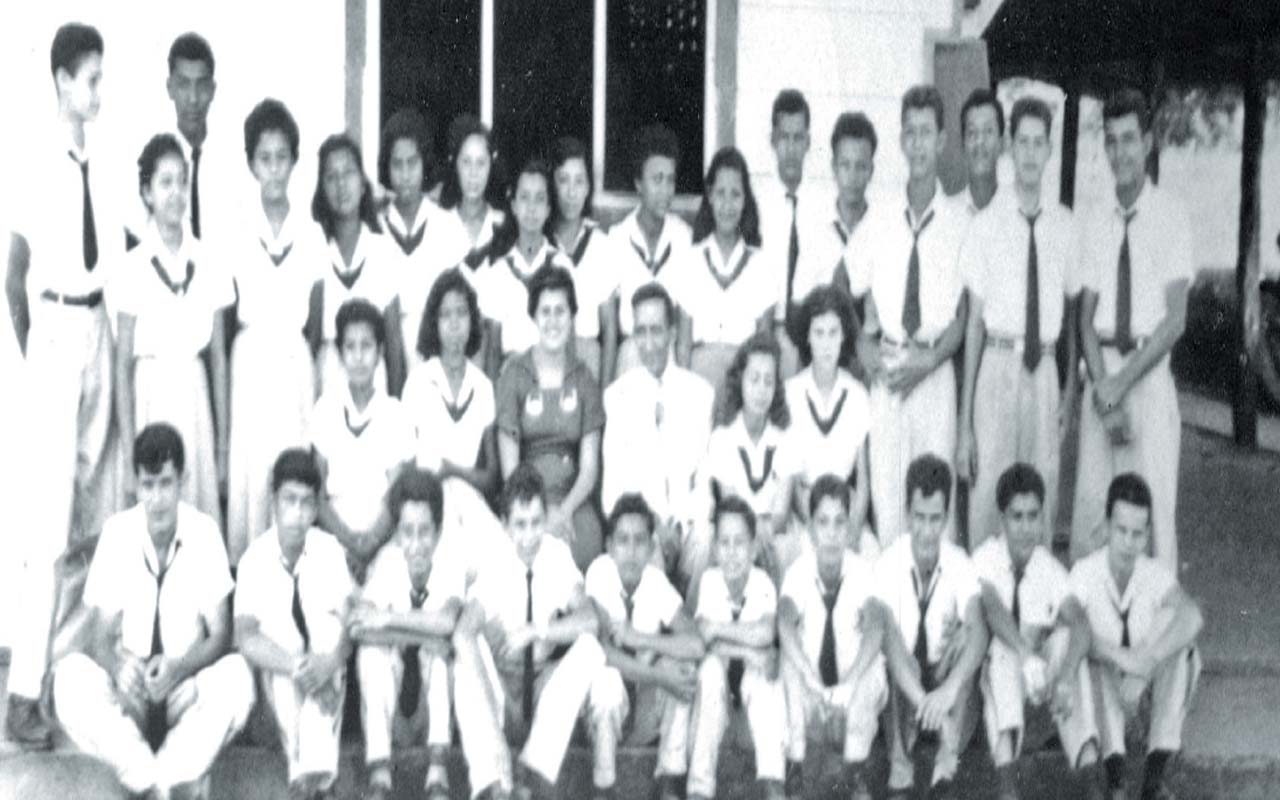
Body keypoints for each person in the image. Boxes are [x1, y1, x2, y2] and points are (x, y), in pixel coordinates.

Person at [5, 22, 124, 747]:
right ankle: (21, 694)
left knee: (89, 514)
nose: (98, 91)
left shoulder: (101, 161)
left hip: (97, 333)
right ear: (60, 81)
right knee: (46, 530)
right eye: (90, 78)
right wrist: (39, 360)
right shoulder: (33, 158)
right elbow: (10, 274)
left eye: (101, 78)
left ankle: (59, 677)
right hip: (51, 333)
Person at [50, 424, 253, 799]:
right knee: (69, 678)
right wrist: (119, 667)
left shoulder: (204, 532)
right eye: (148, 485)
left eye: (165, 484)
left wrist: (180, 668)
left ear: (182, 481)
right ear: (136, 484)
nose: (157, 499)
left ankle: (167, 776)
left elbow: (221, 635)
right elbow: (98, 636)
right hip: (132, 697)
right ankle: (151, 780)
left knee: (238, 678)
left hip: (184, 691)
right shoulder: (117, 533)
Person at [1071, 89, 1192, 570]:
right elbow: (1084, 317)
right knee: (1091, 515)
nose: (1120, 153)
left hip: (1146, 378)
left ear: (1147, 142)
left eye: (1129, 140)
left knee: (1152, 516)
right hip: (1102, 380)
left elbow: (1175, 319)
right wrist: (1104, 388)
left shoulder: (1170, 217)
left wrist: (1122, 384)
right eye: (1111, 141)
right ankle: (1094, 635)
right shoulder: (1095, 219)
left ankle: (1158, 639)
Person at [846, 85, 970, 549]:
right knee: (890, 497)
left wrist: (932, 360)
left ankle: (938, 615)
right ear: (901, 141)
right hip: (891, 370)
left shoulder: (961, 221)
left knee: (936, 501)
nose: (918, 144)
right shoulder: (878, 220)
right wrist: (867, 350)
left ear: (941, 141)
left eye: (927, 133)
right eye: (910, 133)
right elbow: (851, 298)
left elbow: (963, 317)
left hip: (934, 372)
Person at [957, 96, 1079, 552]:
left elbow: (1070, 324)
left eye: (1039, 143)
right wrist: (965, 420)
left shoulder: (1065, 227)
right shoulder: (985, 226)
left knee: (1040, 488)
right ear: (1010, 147)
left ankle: (1036, 609)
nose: (1030, 153)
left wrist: (1068, 392)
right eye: (1022, 142)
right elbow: (973, 326)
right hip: (997, 364)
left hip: (1044, 369)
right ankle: (983, 610)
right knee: (990, 489)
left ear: (1050, 150)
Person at [451, 464, 608, 800]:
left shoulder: (556, 554)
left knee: (590, 650)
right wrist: (493, 733)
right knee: (466, 658)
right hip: (502, 694)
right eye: (520, 525)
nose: (529, 535)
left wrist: (538, 631)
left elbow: (590, 620)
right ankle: (497, 782)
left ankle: (533, 768)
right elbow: (463, 633)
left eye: (536, 522)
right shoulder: (494, 561)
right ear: (505, 524)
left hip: (541, 691)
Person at [111, 133, 232, 527]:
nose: (176, 193)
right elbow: (121, 364)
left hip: (194, 399)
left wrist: (223, 447)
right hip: (150, 396)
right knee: (153, 514)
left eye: (182, 181)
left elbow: (218, 359)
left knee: (195, 513)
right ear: (146, 192)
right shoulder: (131, 267)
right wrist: (130, 451)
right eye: (165, 183)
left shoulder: (209, 260)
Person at [224, 98, 322, 565]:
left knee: (291, 468)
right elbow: (224, 316)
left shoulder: (311, 231)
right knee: (253, 476)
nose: (274, 169)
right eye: (265, 159)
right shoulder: (237, 230)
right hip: (251, 360)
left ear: (294, 161)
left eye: (282, 158)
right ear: (251, 164)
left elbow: (317, 317)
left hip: (293, 362)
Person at [971, 464, 1103, 800]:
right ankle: (1008, 790)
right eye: (1017, 517)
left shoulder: (1049, 567)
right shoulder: (984, 558)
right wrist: (1024, 652)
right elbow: (991, 606)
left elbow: (1082, 625)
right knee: (1002, 650)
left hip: (1044, 701)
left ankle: (1089, 774)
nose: (1026, 528)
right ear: (1002, 519)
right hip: (997, 702)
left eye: (1033, 516)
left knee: (1064, 642)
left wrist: (1066, 674)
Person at [1067, 473, 1202, 800]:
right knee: (1086, 654)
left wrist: (1147, 663)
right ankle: (1115, 780)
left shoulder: (1154, 573)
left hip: (1143, 694)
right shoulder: (1084, 572)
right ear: (1107, 525)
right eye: (1121, 531)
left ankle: (1153, 778)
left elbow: (1192, 616)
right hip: (1105, 693)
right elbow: (1075, 630)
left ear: (1148, 534)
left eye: (1137, 534)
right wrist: (1124, 658)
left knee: (1183, 643)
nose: (1129, 543)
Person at [234, 448, 353, 799]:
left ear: (316, 509)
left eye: (306, 503)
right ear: (273, 502)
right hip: (281, 679)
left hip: (326, 670)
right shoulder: (254, 559)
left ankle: (303, 781)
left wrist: (329, 661)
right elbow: (246, 637)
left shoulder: (329, 550)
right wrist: (300, 668)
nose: (297, 514)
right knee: (282, 651)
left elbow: (349, 627)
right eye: (289, 501)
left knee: (329, 633)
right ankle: (321, 783)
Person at [348, 468, 468, 800]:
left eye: (425, 532)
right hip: (393, 713)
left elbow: (446, 623)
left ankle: (438, 773)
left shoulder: (450, 562)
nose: (415, 544)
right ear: (396, 533)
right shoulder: (387, 562)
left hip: (433, 719)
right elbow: (358, 627)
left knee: (440, 658)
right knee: (372, 655)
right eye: (407, 532)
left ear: (439, 531)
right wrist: (420, 634)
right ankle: (379, 775)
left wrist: (387, 618)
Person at [874, 454, 985, 800]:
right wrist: (925, 700)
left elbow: (980, 629)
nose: (926, 530)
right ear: (907, 513)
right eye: (919, 518)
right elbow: (888, 641)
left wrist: (949, 689)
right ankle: (900, 774)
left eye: (935, 519)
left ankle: (944, 771)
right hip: (906, 695)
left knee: (967, 637)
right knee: (891, 640)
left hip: (946, 694)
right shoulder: (889, 561)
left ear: (947, 517)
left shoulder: (958, 562)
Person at [584, 494, 706, 800]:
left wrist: (642, 639)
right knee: (606, 680)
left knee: (682, 669)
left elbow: (696, 644)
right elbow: (603, 652)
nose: (631, 552)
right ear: (609, 546)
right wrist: (660, 677)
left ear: (652, 548)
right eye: (622, 541)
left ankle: (669, 777)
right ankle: (605, 786)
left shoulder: (655, 581)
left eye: (640, 541)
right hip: (604, 716)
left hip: (644, 710)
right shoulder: (599, 573)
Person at [777, 475, 888, 800]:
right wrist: (809, 675)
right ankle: (795, 765)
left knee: (872, 668)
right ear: (810, 528)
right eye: (823, 522)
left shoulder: (861, 570)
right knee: (789, 660)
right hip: (814, 693)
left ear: (851, 527)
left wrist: (850, 682)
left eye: (840, 522)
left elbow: (876, 627)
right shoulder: (799, 571)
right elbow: (784, 622)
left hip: (849, 692)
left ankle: (853, 773)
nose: (832, 533)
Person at [601, 282, 714, 599]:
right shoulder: (617, 397)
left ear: (673, 332)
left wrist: (679, 525)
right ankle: (658, 631)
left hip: (686, 527)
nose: (649, 344)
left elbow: (703, 481)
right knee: (641, 546)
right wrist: (653, 523)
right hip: (643, 526)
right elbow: (612, 492)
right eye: (641, 332)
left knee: (707, 536)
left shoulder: (700, 394)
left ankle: (692, 627)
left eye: (657, 331)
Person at [495, 263, 606, 572]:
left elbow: (589, 467)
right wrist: (539, 513)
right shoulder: (514, 374)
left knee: (582, 551)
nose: (553, 321)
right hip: (525, 503)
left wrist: (564, 511)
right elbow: (510, 470)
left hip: (574, 505)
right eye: (546, 312)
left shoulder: (584, 378)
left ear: (572, 317)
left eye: (561, 311)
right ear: (533, 316)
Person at [687, 496, 787, 800]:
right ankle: (699, 788)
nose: (732, 553)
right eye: (724, 543)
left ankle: (772, 783)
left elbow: (766, 632)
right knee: (711, 670)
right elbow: (704, 640)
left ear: (754, 548)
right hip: (713, 719)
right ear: (715, 549)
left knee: (764, 677)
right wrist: (750, 652)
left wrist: (720, 632)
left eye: (740, 543)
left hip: (750, 723)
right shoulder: (709, 581)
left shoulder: (762, 583)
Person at [309, 299, 413, 577]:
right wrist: (349, 542)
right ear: (340, 354)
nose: (358, 357)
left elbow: (397, 495)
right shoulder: (325, 410)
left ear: (380, 352)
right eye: (350, 347)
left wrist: (369, 546)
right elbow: (317, 496)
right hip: (335, 533)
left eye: (366, 346)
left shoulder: (395, 413)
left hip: (383, 536)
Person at [666, 146, 775, 396]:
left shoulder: (761, 266)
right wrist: (682, 396)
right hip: (699, 377)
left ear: (745, 200)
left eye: (736, 195)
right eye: (721, 193)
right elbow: (683, 346)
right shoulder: (690, 261)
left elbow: (765, 347)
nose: (727, 205)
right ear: (710, 196)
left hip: (744, 378)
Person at [310, 133, 406, 397]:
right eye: (331, 176)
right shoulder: (314, 248)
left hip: (374, 381)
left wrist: (396, 411)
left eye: (349, 173)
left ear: (363, 184)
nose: (341, 185)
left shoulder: (383, 250)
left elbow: (394, 344)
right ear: (322, 189)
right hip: (329, 380)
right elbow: (313, 338)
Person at [701, 331, 800, 582]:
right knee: (730, 548)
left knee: (783, 549)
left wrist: (764, 530)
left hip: (771, 531)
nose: (761, 390)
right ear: (739, 381)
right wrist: (754, 532)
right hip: (736, 528)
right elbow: (729, 503)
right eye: (754, 379)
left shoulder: (786, 438)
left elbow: (781, 510)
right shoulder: (723, 438)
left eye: (768, 381)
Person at [784, 285, 875, 556]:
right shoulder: (791, 393)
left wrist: (853, 529)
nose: (826, 344)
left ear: (844, 336)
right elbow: (793, 480)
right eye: (819, 333)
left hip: (845, 515)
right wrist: (815, 528)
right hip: (805, 515)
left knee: (871, 554)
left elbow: (863, 481)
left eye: (833, 333)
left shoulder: (858, 394)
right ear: (807, 338)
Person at [378, 107, 469, 369]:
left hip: (436, 351)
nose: (405, 174)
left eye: (413, 163)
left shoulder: (447, 224)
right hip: (387, 354)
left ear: (424, 163)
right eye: (397, 164)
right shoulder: (377, 228)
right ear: (387, 166)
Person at [477, 156, 579, 376]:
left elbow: (570, 344)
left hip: (553, 374)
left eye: (539, 199)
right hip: (511, 374)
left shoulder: (562, 266)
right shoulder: (498, 273)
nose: (531, 208)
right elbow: (493, 353)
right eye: (524, 198)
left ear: (549, 208)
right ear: (513, 206)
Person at [402, 267, 499, 500]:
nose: (454, 324)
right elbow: (406, 467)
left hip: (470, 504)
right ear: (433, 323)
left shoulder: (483, 386)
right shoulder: (418, 381)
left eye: (462, 313)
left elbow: (491, 478)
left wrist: (454, 471)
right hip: (425, 500)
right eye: (445, 315)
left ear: (473, 320)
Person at [605, 123, 692, 382]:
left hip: (670, 352)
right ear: (638, 184)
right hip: (633, 350)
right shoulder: (618, 237)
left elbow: (685, 323)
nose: (665, 191)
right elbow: (610, 327)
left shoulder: (683, 237)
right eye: (657, 180)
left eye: (670, 180)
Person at [758, 89, 823, 379]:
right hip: (769, 329)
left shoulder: (823, 206)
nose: (791, 148)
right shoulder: (756, 204)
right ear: (773, 140)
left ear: (808, 142)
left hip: (812, 335)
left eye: (798, 138)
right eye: (784, 138)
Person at [549, 135, 614, 380]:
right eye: (563, 180)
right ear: (552, 185)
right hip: (548, 349)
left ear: (588, 188)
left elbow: (609, 330)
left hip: (588, 353)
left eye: (579, 181)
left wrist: (605, 391)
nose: (571, 191)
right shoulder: (542, 242)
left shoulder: (601, 245)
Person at [814, 112, 877, 298]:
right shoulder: (815, 231)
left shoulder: (883, 232)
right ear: (834, 167)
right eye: (845, 165)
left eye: (861, 166)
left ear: (871, 171)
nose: (852, 176)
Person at [438, 114, 505, 277]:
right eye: (466, 162)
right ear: (455, 164)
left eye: (481, 163)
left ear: (491, 166)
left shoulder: (504, 225)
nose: (473, 173)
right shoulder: (439, 225)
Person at [959, 88, 1005, 216]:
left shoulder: (1016, 212)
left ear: (1001, 144)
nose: (980, 141)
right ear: (963, 144)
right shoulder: (948, 216)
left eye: (988, 131)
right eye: (972, 132)